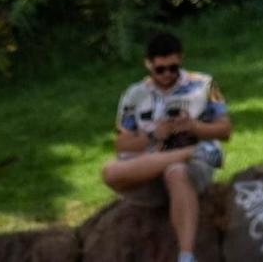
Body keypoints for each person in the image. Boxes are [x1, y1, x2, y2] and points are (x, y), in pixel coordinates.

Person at [99, 30, 231, 262]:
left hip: (191, 169)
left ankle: (187, 256)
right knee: (109, 171)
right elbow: (121, 144)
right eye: (160, 69)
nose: (167, 75)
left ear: (180, 59)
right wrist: (153, 135)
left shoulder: (204, 85)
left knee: (176, 171)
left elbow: (225, 130)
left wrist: (194, 127)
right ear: (148, 64)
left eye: (173, 68)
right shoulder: (134, 95)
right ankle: (192, 151)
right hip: (150, 168)